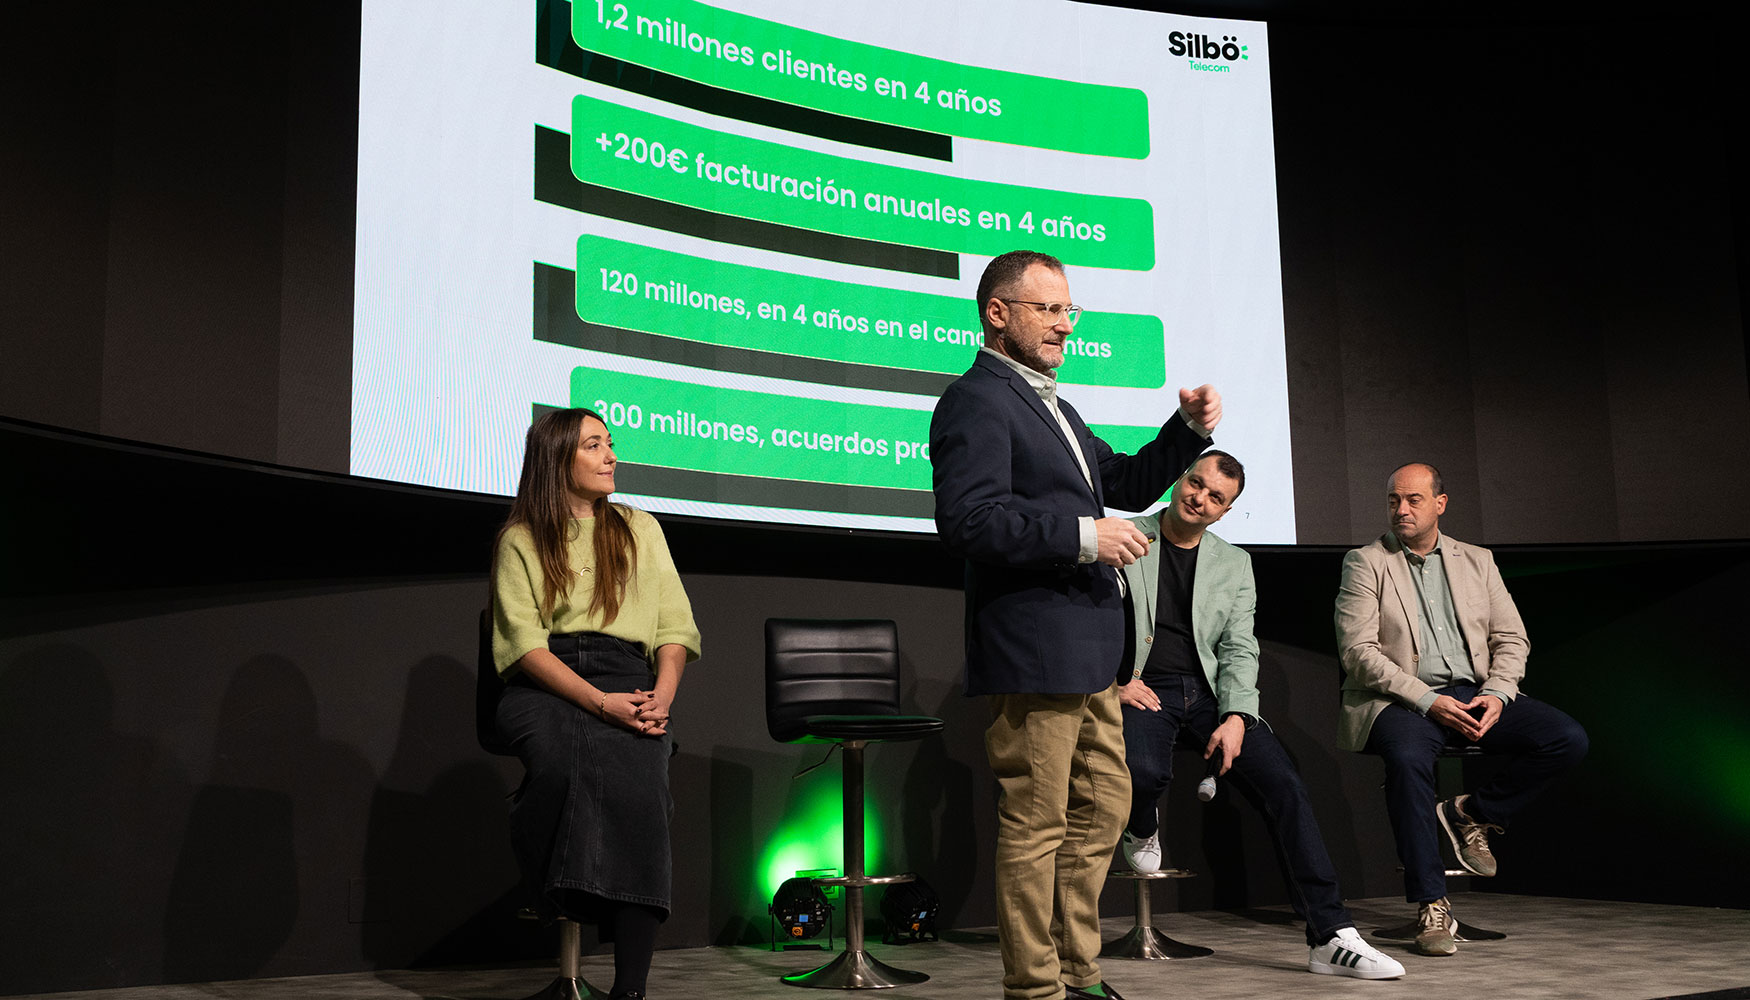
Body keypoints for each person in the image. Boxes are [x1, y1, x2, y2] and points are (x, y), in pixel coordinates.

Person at [930, 249, 1221, 1000]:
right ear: (998, 315)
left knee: (1101, 814)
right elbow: (970, 521)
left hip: (1090, 654)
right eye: (1049, 309)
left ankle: (1075, 971)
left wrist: (1184, 431)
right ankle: (1036, 987)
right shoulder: (976, 401)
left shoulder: (1052, 403)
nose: (1065, 324)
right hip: (1034, 651)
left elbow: (1118, 480)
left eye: (1070, 311)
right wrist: (1086, 537)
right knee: (1037, 823)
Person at [1116, 452, 1404, 980]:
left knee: (1285, 786)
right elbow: (1088, 617)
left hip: (1207, 695)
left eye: (1215, 497)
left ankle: (1330, 936)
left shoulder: (1235, 563)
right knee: (1144, 772)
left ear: (1224, 512)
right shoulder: (1125, 535)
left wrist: (1236, 715)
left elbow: (1239, 647)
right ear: (1180, 479)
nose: (1199, 498)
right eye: (1195, 483)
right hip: (1141, 687)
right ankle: (1140, 827)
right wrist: (1112, 683)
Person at [1334, 462, 1587, 957]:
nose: (1401, 509)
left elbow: (1511, 637)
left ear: (1440, 504)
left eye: (1413, 500)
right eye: (1393, 501)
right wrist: (1428, 700)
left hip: (1476, 691)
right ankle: (1432, 905)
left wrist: (1497, 692)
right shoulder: (1365, 562)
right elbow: (1357, 653)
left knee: (1566, 738)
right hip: (1401, 698)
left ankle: (1471, 812)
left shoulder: (1477, 560)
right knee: (1408, 762)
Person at [490, 407, 701, 1000]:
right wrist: (600, 704)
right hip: (546, 682)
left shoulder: (641, 526)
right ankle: (557, 889)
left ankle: (629, 989)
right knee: (562, 758)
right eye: (593, 445)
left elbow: (675, 629)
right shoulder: (521, 539)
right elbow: (524, 646)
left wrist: (659, 698)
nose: (611, 455)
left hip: (628, 672)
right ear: (559, 458)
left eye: (610, 443)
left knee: (641, 779)